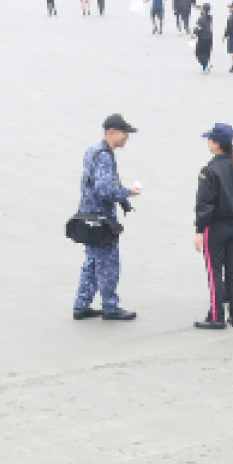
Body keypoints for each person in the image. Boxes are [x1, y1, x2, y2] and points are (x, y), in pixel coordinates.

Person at [72, 115, 142, 322]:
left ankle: (81, 305)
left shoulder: (93, 150)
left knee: (92, 262)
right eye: (124, 132)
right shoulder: (104, 155)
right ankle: (110, 307)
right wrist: (129, 192)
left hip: (87, 216)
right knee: (108, 264)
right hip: (101, 220)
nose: (127, 137)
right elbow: (104, 190)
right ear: (111, 131)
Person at [192, 123, 233, 330]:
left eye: (210, 140)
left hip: (216, 226)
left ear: (217, 144)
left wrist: (199, 231)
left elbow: (204, 204)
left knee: (214, 271)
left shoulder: (210, 170)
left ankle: (217, 316)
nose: (208, 143)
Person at [193, 2, 214, 72]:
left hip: (203, 38)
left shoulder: (201, 19)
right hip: (210, 37)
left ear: (204, 10)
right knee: (207, 53)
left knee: (198, 53)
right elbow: (205, 14)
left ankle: (207, 64)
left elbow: (198, 28)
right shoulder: (210, 18)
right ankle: (205, 68)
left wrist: (193, 35)